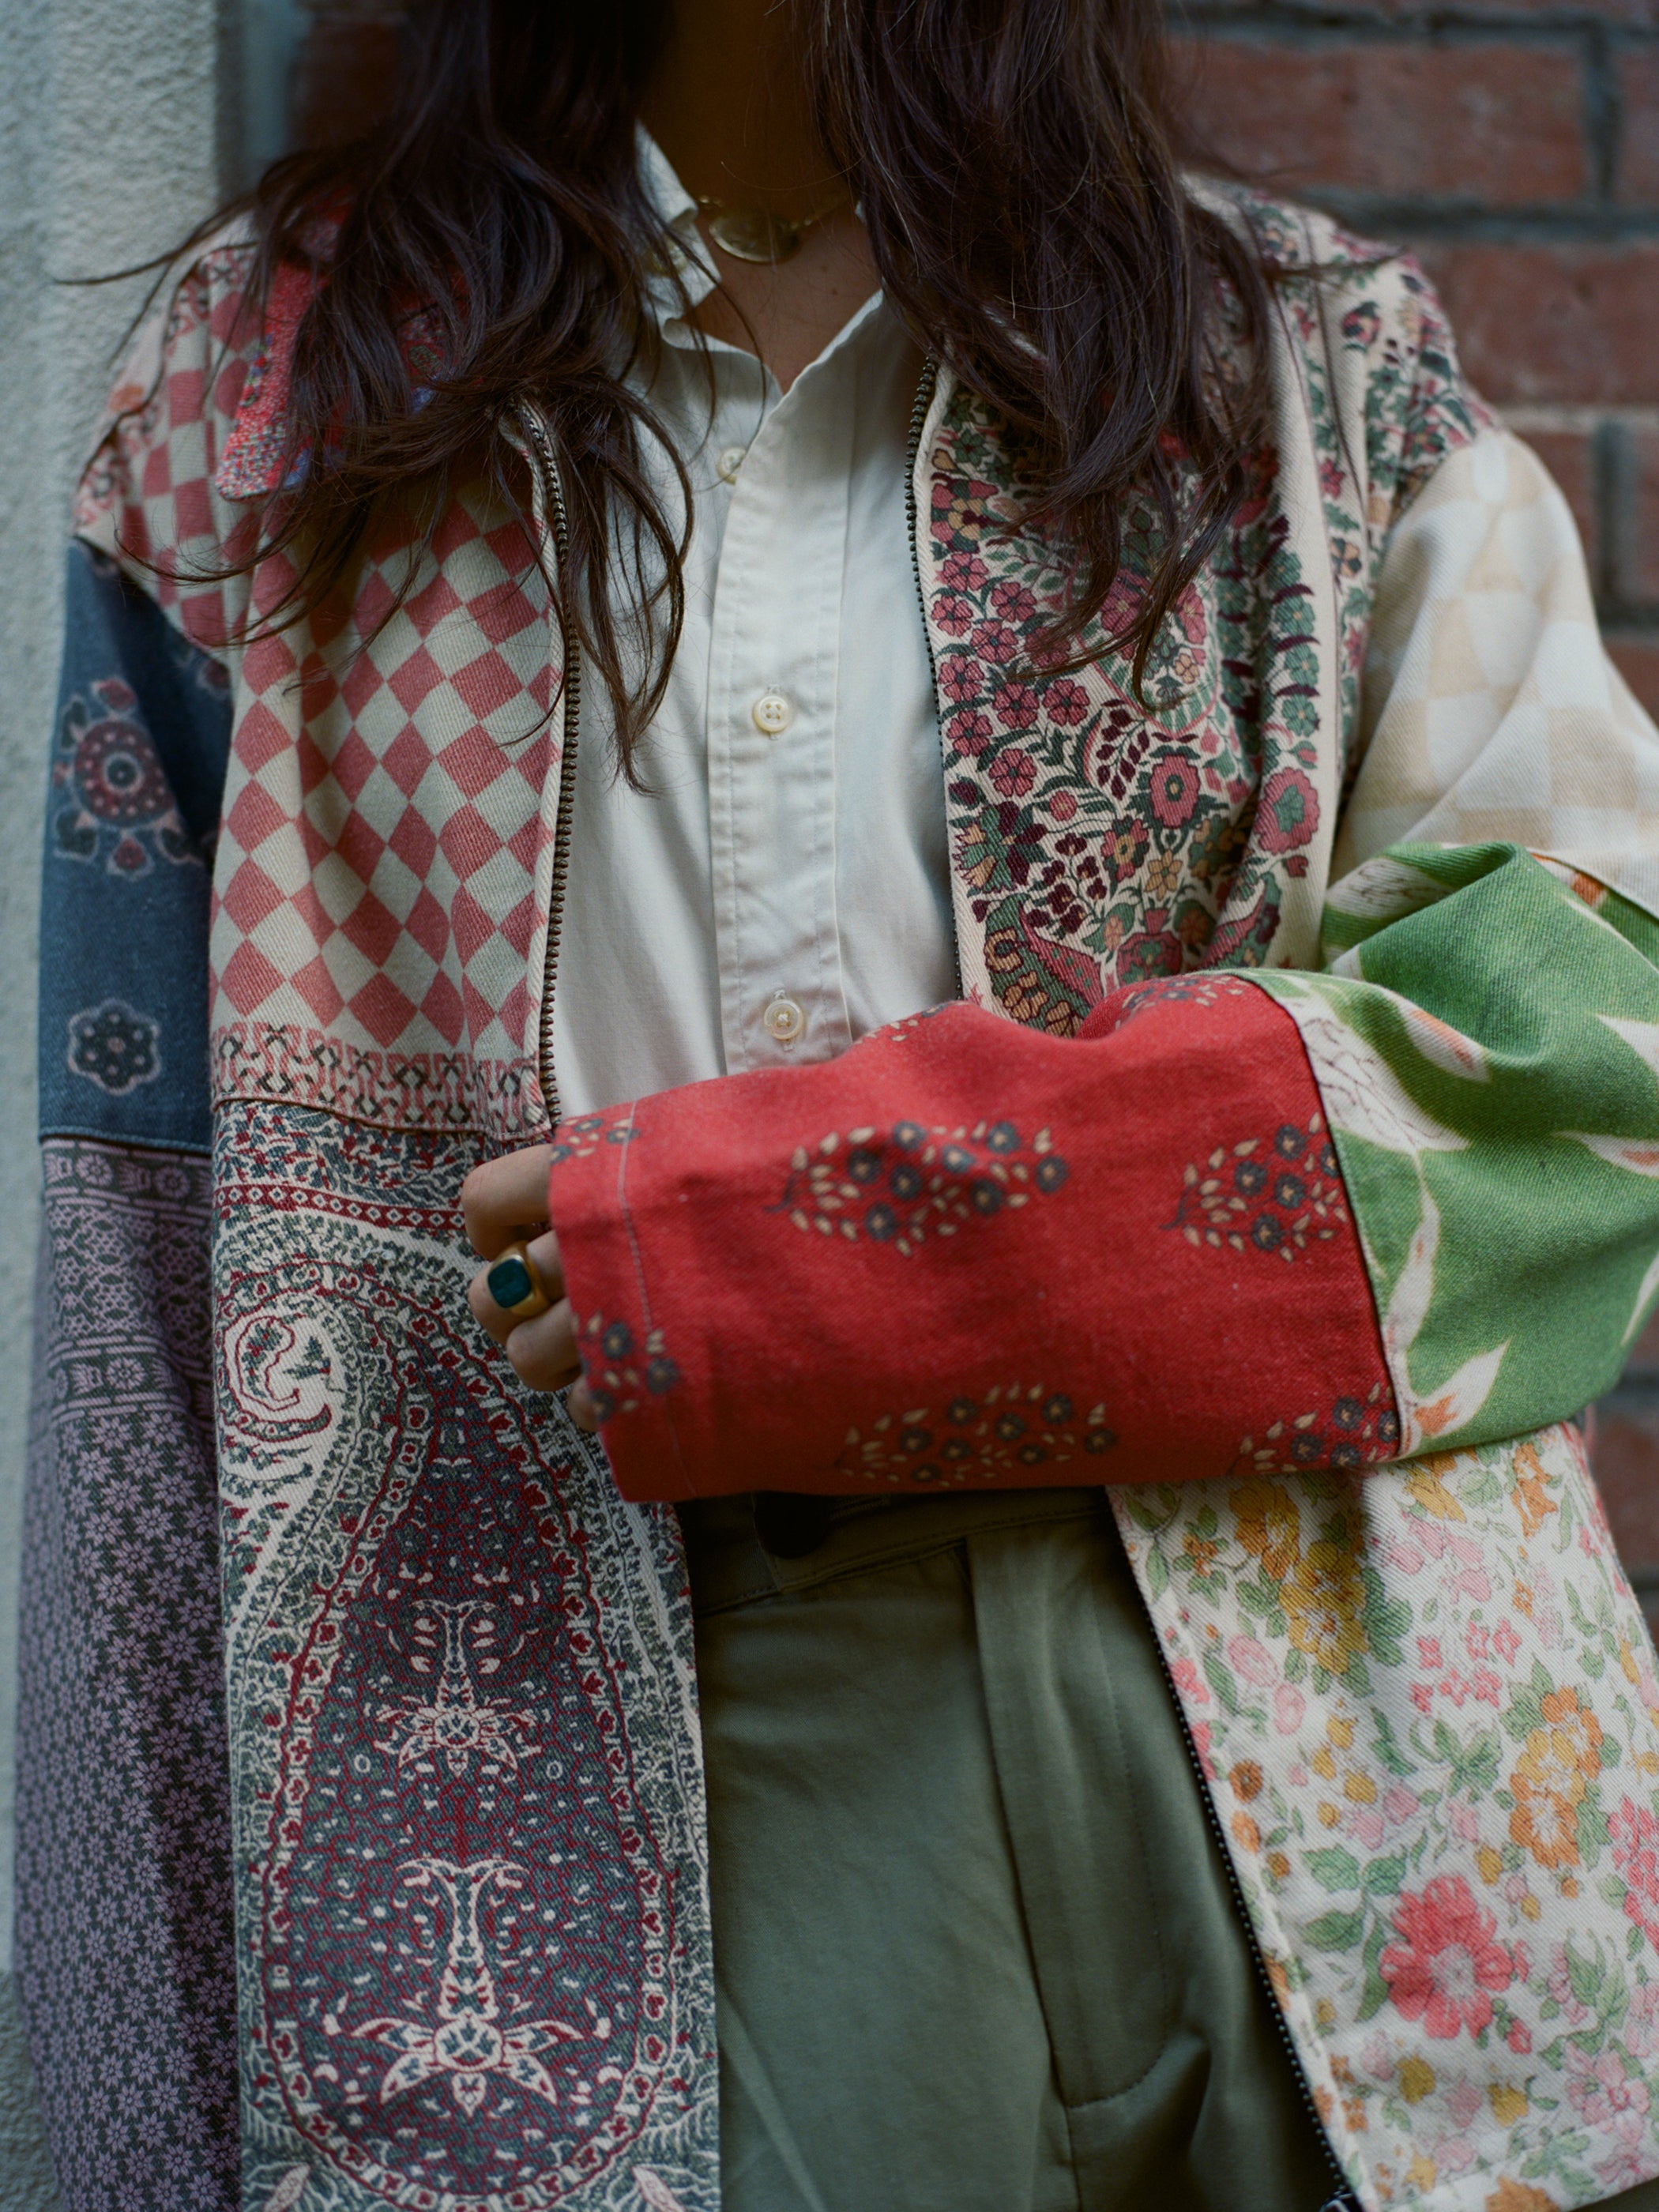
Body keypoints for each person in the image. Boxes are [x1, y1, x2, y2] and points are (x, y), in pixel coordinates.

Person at [21, 0, 1659, 2207]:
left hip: (1360, 1739)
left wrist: (813, 1253)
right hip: (643, 1771)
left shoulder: (1302, 374)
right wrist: (129, 2110)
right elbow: (136, 1290)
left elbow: (1592, 1067)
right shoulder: (270, 404)